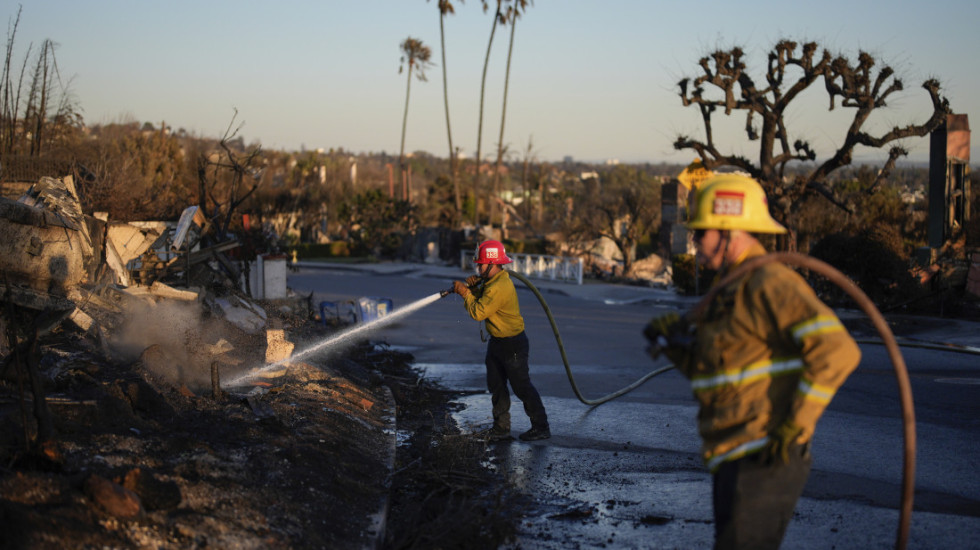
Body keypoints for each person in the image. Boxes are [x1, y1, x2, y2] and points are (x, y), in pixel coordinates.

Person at [644, 174, 861, 549]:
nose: (695, 241)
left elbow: (839, 350)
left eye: (702, 232)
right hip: (732, 451)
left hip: (766, 451)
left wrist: (797, 425)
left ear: (730, 231)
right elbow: (718, 373)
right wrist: (678, 348)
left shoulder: (769, 281)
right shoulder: (730, 289)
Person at [452, 240, 551, 442]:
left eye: (480, 264)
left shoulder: (500, 286)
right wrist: (475, 289)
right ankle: (501, 427)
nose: (478, 268)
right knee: (496, 384)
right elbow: (484, 300)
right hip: (497, 342)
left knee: (521, 386)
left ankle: (541, 427)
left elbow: (479, 311)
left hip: (513, 343)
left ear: (492, 263)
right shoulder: (492, 282)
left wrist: (465, 293)